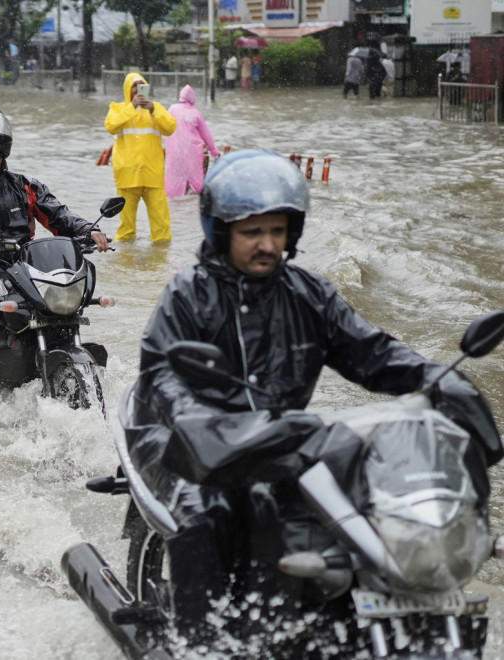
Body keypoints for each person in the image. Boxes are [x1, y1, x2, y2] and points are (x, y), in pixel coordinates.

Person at [131, 149, 503, 642]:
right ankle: (205, 643)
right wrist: (201, 423)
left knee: (363, 501)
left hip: (280, 440)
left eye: (277, 231)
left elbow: (374, 353)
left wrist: (440, 380)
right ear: (221, 232)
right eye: (251, 232)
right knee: (210, 511)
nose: (267, 244)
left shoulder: (309, 294)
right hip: (184, 443)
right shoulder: (187, 295)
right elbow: (163, 377)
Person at [0, 103, 109, 394]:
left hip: (21, 264)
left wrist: (87, 230)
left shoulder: (26, 186)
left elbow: (58, 215)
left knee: (59, 302)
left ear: (4, 155)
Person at [105, 73, 176, 242]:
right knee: (126, 229)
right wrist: (132, 107)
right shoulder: (118, 108)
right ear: (128, 90)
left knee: (162, 228)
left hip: (153, 175)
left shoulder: (155, 108)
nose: (137, 90)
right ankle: (126, 262)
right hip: (127, 176)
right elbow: (111, 126)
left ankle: (161, 262)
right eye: (134, 87)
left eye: (141, 86)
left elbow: (171, 127)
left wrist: (153, 110)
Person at [163, 85, 219, 197]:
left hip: (174, 151)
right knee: (194, 180)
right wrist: (214, 152)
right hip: (192, 152)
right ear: (193, 98)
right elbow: (206, 135)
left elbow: (162, 124)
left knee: (174, 179)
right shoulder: (196, 113)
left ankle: (174, 201)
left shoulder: (172, 109)